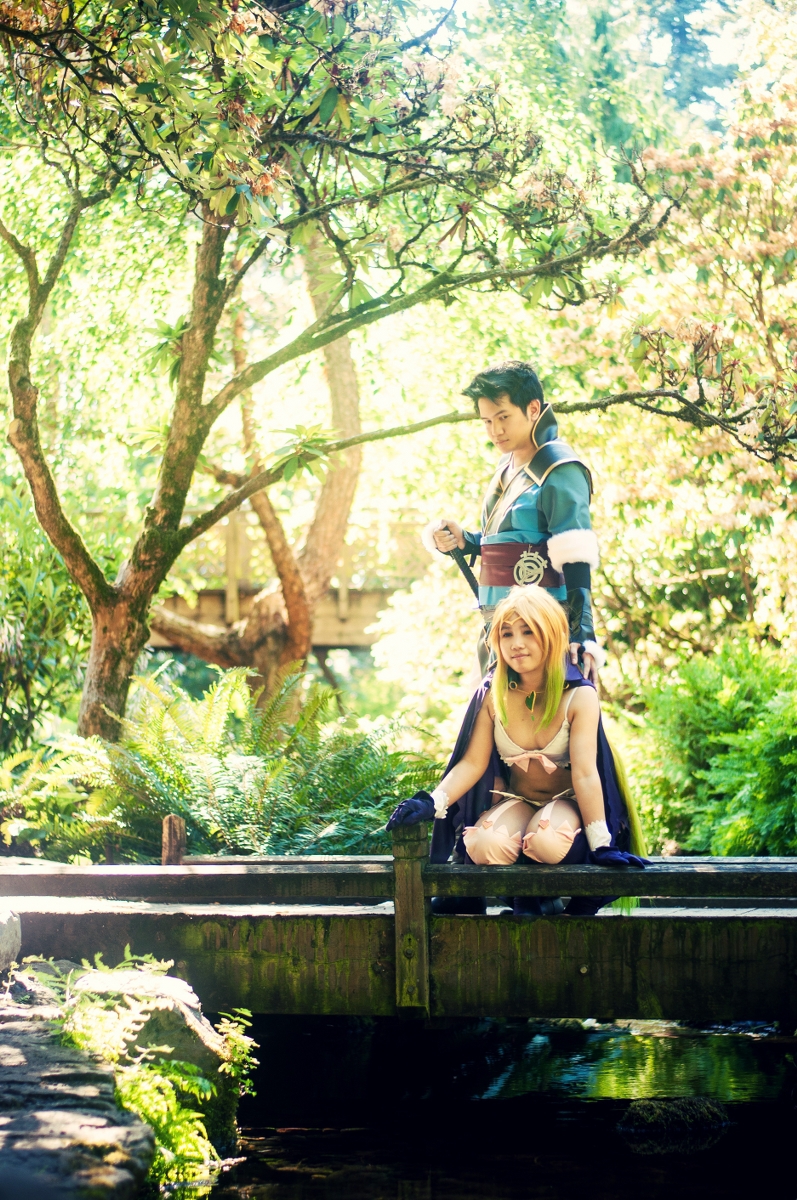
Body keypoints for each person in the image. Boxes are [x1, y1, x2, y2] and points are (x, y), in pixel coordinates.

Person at [387, 586, 647, 916]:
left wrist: (601, 842)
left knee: (547, 840)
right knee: (484, 844)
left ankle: (570, 898)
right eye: (507, 633)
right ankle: (527, 900)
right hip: (520, 801)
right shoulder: (492, 693)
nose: (516, 644)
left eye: (528, 631)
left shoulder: (579, 696)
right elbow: (472, 763)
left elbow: (585, 773)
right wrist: (432, 801)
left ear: (552, 635)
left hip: (567, 805)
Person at [423, 360, 603, 683]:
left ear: (533, 409)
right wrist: (466, 541)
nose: (495, 430)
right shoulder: (507, 466)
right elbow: (511, 541)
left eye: (503, 417)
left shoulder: (559, 468)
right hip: (498, 631)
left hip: (540, 634)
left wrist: (582, 634)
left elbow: (575, 557)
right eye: (487, 421)